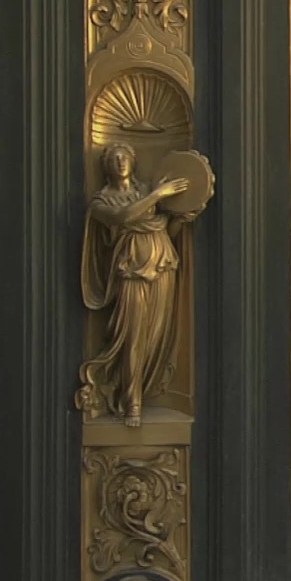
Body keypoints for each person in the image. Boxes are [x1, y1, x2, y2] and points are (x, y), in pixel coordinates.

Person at [78, 143, 194, 427]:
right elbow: (123, 217)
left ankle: (146, 390)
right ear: (106, 166)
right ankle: (132, 402)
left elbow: (164, 229)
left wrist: (181, 219)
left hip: (163, 267)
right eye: (114, 159)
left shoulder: (146, 192)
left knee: (157, 336)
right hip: (131, 272)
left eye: (125, 158)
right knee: (132, 336)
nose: (120, 162)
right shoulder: (103, 202)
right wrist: (159, 194)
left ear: (133, 162)